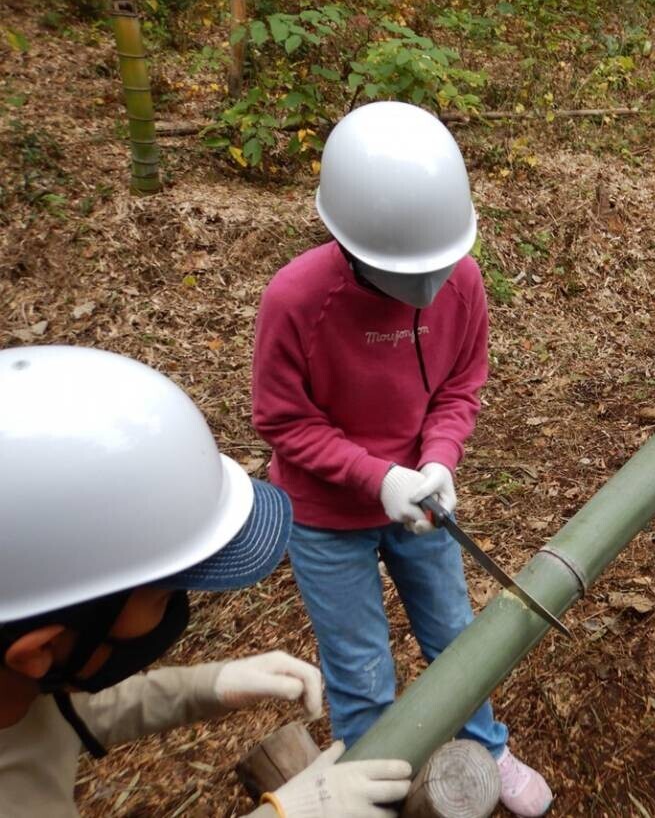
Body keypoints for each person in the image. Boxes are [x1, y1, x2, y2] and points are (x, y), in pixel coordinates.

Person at [252, 101, 553, 818]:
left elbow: (460, 384)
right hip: (326, 515)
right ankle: (371, 787)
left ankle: (488, 748)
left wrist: (438, 462)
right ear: (351, 242)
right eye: (405, 272)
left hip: (423, 505)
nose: (427, 285)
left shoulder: (464, 283)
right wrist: (374, 477)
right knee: (359, 667)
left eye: (440, 267)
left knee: (456, 635)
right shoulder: (297, 299)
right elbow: (281, 419)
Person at [0, 345, 414, 818]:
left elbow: (65, 713)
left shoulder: (22, 686)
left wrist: (209, 685)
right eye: (163, 596)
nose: (179, 606)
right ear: (35, 651)